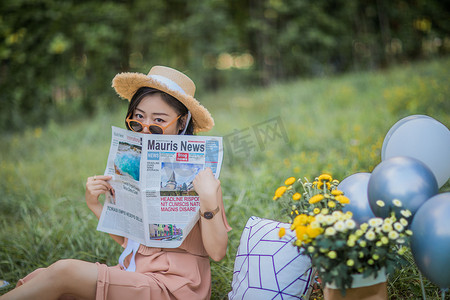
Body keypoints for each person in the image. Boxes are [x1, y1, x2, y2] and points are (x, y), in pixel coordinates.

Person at [1, 66, 231, 300]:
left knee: (65, 272)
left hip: (175, 288)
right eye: (138, 118)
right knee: (47, 279)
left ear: (181, 123)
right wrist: (95, 205)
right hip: (134, 274)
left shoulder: (204, 177)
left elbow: (217, 252)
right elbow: (130, 239)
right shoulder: (134, 162)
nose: (145, 129)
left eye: (158, 122)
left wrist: (209, 199)